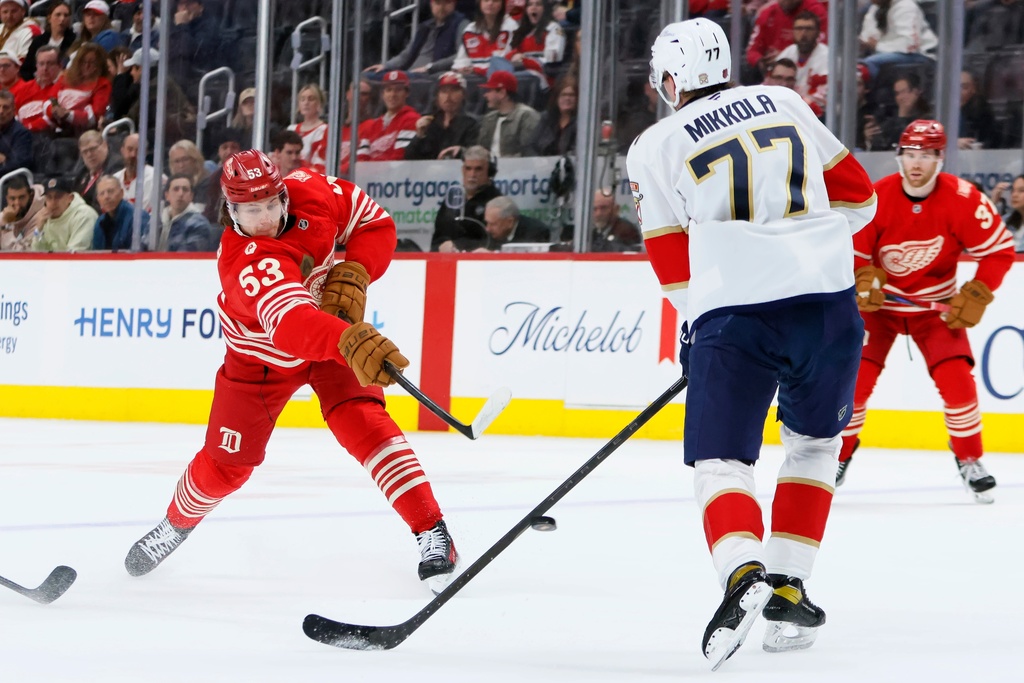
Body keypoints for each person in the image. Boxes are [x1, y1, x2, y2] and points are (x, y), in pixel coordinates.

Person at [627, 18, 877, 670]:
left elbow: (671, 264)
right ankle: (789, 586)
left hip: (736, 314)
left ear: (673, 78)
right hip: (828, 306)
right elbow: (860, 198)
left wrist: (700, 322)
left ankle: (743, 571)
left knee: (721, 459)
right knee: (815, 444)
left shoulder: (653, 145)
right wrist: (805, 245)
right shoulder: (786, 100)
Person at [123, 150, 460, 595]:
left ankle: (432, 530)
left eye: (271, 204)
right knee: (226, 468)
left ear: (284, 194)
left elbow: (374, 223)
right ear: (231, 211)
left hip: (328, 335)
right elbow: (292, 326)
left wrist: (357, 270)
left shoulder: (312, 192)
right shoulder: (245, 259)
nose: (264, 218)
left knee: (364, 423)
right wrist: (349, 340)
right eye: (251, 210)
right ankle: (175, 524)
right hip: (261, 363)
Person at [839, 121, 1016, 501]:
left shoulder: (964, 199)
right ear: (899, 157)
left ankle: (970, 459)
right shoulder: (876, 196)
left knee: (958, 382)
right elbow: (852, 252)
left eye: (925, 155)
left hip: (937, 311)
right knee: (854, 385)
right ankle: (838, 456)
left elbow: (999, 252)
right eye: (909, 154)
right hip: (879, 310)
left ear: (940, 158)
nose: (916, 163)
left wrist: (978, 291)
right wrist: (862, 278)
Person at [364, 0, 467, 76]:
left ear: (454, 4)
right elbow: (406, 55)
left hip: (433, 75)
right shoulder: (424, 27)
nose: (441, 8)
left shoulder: (462, 25)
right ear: (431, 4)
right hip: (410, 73)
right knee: (368, 76)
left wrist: (429, 68)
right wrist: (386, 66)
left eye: (447, 3)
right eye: (438, 3)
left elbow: (461, 56)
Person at [432, 145, 502, 251]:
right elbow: (438, 235)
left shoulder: (496, 201)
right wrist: (440, 247)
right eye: (468, 168)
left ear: (489, 172)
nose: (472, 174)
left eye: (478, 169)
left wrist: (457, 245)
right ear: (463, 170)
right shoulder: (453, 198)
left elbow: (494, 242)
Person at [404, 71, 479, 161]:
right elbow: (409, 157)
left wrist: (461, 151)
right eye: (444, 91)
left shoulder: (472, 123)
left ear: (463, 95)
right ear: (437, 96)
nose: (448, 96)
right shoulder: (429, 122)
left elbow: (476, 156)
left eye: (454, 90)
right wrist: (419, 136)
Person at [745, 0, 828, 80]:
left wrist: (784, 56)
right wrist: (760, 60)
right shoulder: (767, 13)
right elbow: (752, 51)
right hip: (771, 69)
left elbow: (820, 47)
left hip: (806, 67)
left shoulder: (815, 10)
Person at [858, 0, 937, 82]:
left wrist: (877, 46)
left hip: (919, 55)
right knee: (856, 63)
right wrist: (864, 42)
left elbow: (910, 45)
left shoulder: (906, 6)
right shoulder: (875, 8)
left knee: (870, 63)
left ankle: (872, 89)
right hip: (887, 51)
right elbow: (867, 35)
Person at [45, 41, 112, 135]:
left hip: (83, 133)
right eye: (83, 62)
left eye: (92, 63)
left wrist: (68, 115)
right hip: (56, 127)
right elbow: (49, 100)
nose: (87, 66)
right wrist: (54, 110)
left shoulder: (102, 84)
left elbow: (95, 116)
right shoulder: (65, 78)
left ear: (99, 65)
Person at [356, 70, 420, 162]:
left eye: (398, 90)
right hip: (370, 171)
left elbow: (400, 158)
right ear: (383, 94)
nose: (392, 95)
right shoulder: (373, 125)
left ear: (406, 93)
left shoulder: (412, 119)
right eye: (388, 90)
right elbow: (361, 159)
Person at [476, 70, 541, 158]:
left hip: (515, 166)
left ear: (502, 93)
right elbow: (480, 149)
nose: (485, 95)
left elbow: (528, 152)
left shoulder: (526, 116)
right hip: (488, 165)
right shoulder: (489, 118)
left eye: (489, 91)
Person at [775, 11, 828, 115]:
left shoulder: (827, 57)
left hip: (816, 114)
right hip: (788, 108)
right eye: (799, 29)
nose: (803, 34)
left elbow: (820, 101)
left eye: (809, 29)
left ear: (818, 32)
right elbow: (770, 83)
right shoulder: (788, 52)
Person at [864, 72, 931, 151]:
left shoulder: (929, 119)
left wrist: (903, 117)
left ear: (916, 92)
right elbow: (883, 148)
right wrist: (870, 139)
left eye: (904, 92)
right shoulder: (891, 123)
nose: (900, 97)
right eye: (897, 93)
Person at [31, 175, 98, 252]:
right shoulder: (44, 218)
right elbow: (36, 255)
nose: (53, 203)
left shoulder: (84, 215)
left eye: (58, 197)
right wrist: (38, 230)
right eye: (49, 197)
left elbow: (75, 253)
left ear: (70, 198)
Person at [452, 0, 519, 76]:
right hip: (473, 78)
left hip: (500, 77)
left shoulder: (511, 27)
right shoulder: (470, 30)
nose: (490, 3)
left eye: (495, 1)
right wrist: (462, 68)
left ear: (502, 4)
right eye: (486, 0)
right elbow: (460, 61)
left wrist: (477, 70)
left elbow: (504, 63)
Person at [91, 174, 149, 251]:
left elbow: (139, 254)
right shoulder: (99, 222)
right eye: (102, 193)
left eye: (110, 191)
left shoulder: (138, 218)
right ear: (98, 199)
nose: (106, 197)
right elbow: (96, 254)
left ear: (121, 193)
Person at [20, 1, 74, 81]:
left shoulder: (74, 42)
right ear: (49, 18)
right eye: (58, 15)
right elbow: (26, 69)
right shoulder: (38, 41)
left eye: (66, 15)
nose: (62, 19)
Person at [14, 45, 62, 134]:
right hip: (21, 135)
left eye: (50, 64)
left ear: (59, 66)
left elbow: (56, 119)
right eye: (41, 64)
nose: (45, 68)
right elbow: (13, 116)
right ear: (36, 66)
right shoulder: (24, 89)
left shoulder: (63, 88)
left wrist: (27, 129)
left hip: (50, 135)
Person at [473, 195, 549, 250]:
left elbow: (527, 259)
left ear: (510, 222)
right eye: (487, 223)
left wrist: (494, 255)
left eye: (493, 224)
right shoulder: (492, 234)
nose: (487, 229)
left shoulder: (536, 232)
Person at [158, 173, 212, 251]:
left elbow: (187, 256)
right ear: (167, 195)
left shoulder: (199, 224)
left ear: (191, 196)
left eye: (185, 190)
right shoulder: (157, 220)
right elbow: (144, 246)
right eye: (176, 189)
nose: (180, 194)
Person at [525, 74, 576, 156]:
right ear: (557, 98)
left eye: (571, 95)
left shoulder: (582, 122)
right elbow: (531, 146)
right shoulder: (547, 118)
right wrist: (538, 160)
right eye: (563, 95)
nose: (567, 98)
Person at [114, 133, 162, 213]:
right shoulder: (115, 179)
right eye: (129, 149)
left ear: (146, 152)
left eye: (138, 150)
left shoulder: (156, 177)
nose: (133, 155)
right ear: (122, 151)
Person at [288, 83, 328, 173]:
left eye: (311, 99)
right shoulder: (291, 129)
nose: (306, 103)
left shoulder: (324, 130)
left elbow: (319, 164)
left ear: (319, 104)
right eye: (302, 99)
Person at [0, 173, 44, 250]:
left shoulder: (40, 217)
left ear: (30, 196)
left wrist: (6, 227)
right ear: (7, 199)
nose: (17, 203)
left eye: (21, 197)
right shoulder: (4, 216)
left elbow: (22, 253)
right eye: (12, 198)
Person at [958, 70, 999, 150]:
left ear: (974, 89)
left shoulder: (981, 111)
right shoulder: (939, 110)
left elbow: (988, 141)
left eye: (964, 87)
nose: (958, 91)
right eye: (954, 87)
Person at [0, 88, 30, 175]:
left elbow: (19, 163)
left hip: (8, 178)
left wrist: (5, 160)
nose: (1, 111)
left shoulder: (21, 134)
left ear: (13, 110)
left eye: (6, 107)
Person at [990, 173, 1024, 251]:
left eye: (1021, 191)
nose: (1014, 195)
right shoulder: (1006, 221)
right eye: (1013, 190)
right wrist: (992, 203)